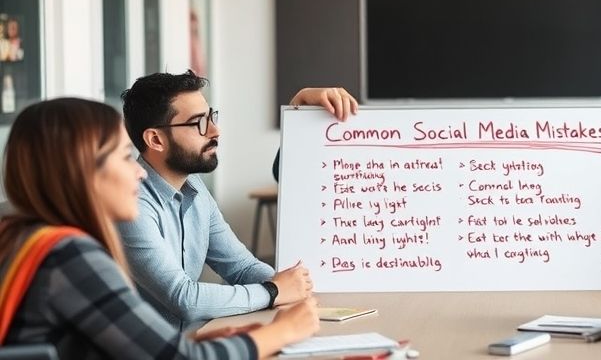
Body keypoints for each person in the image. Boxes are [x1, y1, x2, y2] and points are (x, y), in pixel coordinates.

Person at [0, 98, 319, 358]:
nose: (138, 173)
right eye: (124, 157)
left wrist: (200, 344)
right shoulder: (69, 257)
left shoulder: (26, 240)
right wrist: (282, 331)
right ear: (83, 173)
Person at [118, 70, 358, 328]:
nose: (215, 130)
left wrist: (295, 289)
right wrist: (274, 292)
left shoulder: (195, 189)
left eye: (211, 117)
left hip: (194, 341)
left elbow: (241, 267)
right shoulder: (132, 205)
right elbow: (184, 298)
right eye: (198, 122)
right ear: (155, 139)